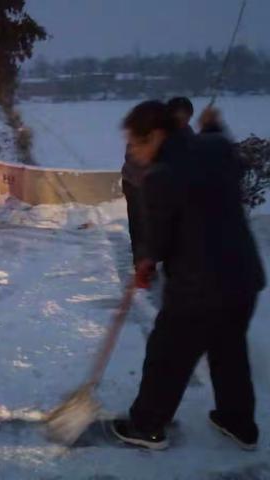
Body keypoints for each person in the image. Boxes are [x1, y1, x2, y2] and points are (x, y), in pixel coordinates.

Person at [111, 101, 265, 450]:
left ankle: (147, 425)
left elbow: (161, 243)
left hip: (198, 289)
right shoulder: (215, 146)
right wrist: (212, 127)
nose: (133, 152)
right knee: (229, 351)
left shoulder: (159, 177)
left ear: (157, 135)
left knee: (167, 355)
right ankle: (238, 422)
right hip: (243, 279)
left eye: (136, 143)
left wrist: (147, 259)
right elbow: (232, 161)